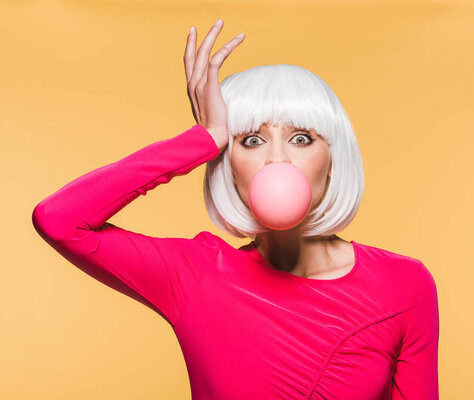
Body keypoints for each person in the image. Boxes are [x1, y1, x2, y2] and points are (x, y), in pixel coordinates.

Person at [32, 19, 439, 400]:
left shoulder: (406, 284)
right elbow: (60, 220)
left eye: (301, 138)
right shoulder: (196, 275)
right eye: (250, 141)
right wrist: (203, 139)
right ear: (228, 161)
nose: (276, 160)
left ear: (333, 159)